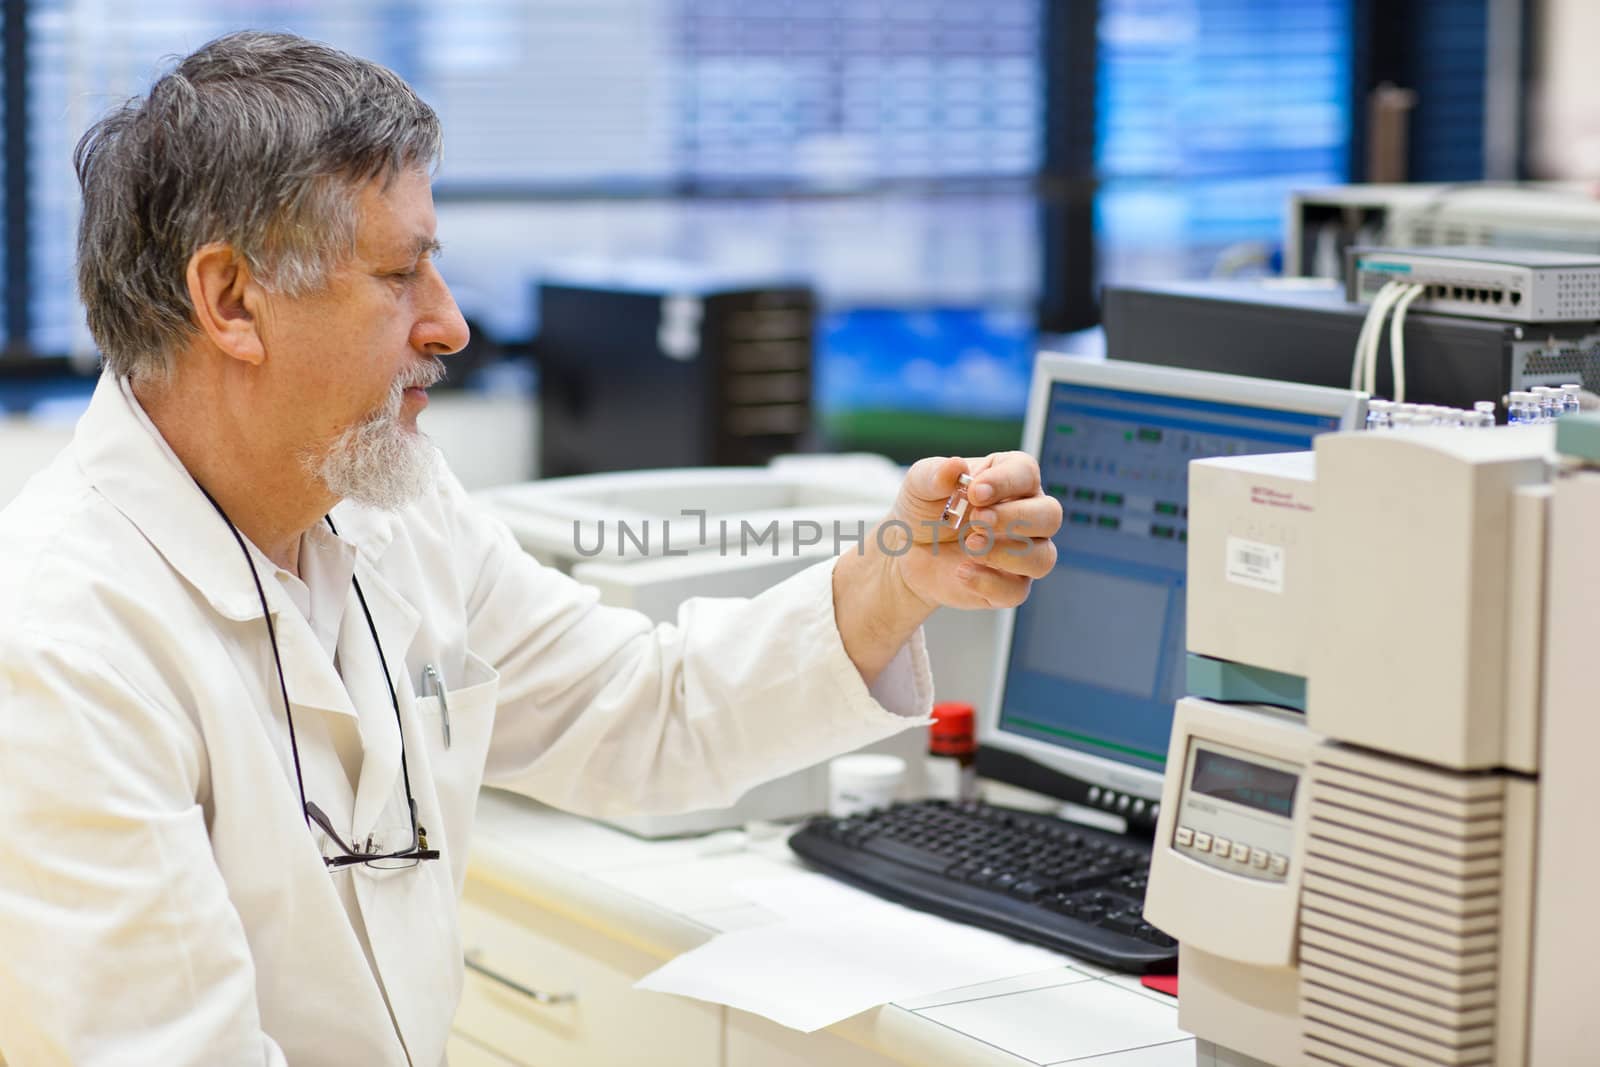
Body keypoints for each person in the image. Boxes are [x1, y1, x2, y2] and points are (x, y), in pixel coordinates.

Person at [0, 30, 1062, 1066]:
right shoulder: (57, 645)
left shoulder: (386, 508)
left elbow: (646, 713)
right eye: (401, 274)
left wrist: (894, 580)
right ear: (232, 300)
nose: (452, 324)